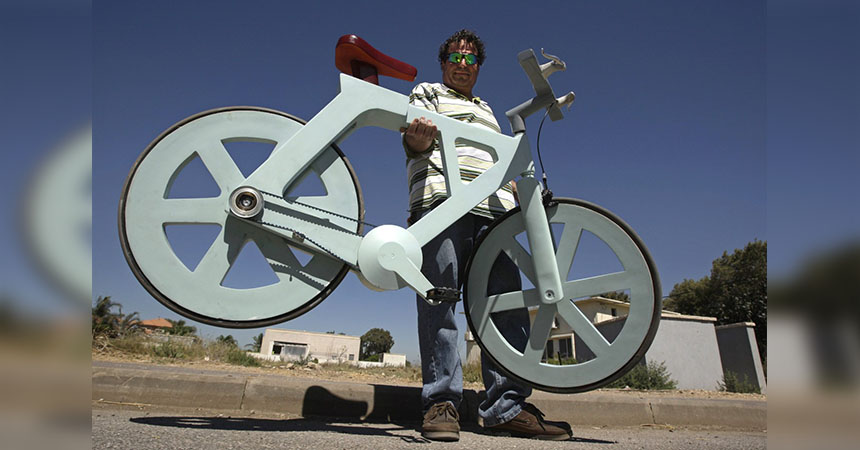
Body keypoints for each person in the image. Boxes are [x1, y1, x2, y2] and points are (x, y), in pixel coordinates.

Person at [401, 29, 572, 442]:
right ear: (444, 64)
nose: (463, 66)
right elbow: (411, 137)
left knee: (505, 306)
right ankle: (441, 403)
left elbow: (500, 161)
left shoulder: (488, 110)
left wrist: (517, 188)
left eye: (471, 60)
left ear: (478, 68)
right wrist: (416, 138)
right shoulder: (425, 92)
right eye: (456, 59)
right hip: (440, 202)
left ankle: (506, 406)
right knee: (439, 301)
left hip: (494, 213)